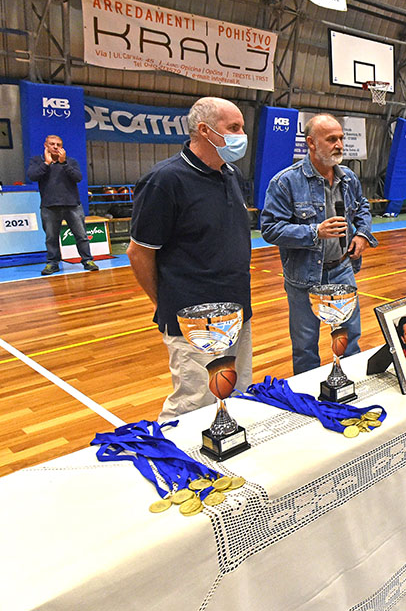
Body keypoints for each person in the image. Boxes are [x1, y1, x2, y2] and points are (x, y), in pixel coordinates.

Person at [126, 97, 253, 421]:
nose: (242, 135)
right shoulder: (164, 180)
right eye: (234, 127)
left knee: (237, 393)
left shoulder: (232, 175)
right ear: (204, 130)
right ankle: (174, 454)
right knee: (193, 405)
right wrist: (166, 303)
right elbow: (138, 252)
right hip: (193, 319)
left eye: (242, 127)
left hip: (237, 311)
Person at [261, 114, 378, 375]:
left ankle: (352, 385)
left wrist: (362, 234)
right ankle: (308, 395)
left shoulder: (349, 178)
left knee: (350, 338)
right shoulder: (285, 182)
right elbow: (270, 229)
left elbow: (362, 208)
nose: (339, 145)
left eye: (341, 139)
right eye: (331, 139)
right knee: (305, 346)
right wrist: (315, 232)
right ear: (311, 143)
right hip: (304, 275)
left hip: (342, 269)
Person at [26, 135, 99, 275]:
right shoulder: (37, 161)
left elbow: (78, 177)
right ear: (46, 145)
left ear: (62, 147)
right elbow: (33, 176)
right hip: (49, 206)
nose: (55, 147)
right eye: (52, 144)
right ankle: (53, 263)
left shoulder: (70, 162)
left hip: (72, 205)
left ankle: (87, 260)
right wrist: (46, 163)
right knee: (51, 238)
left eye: (58, 144)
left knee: (81, 235)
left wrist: (64, 163)